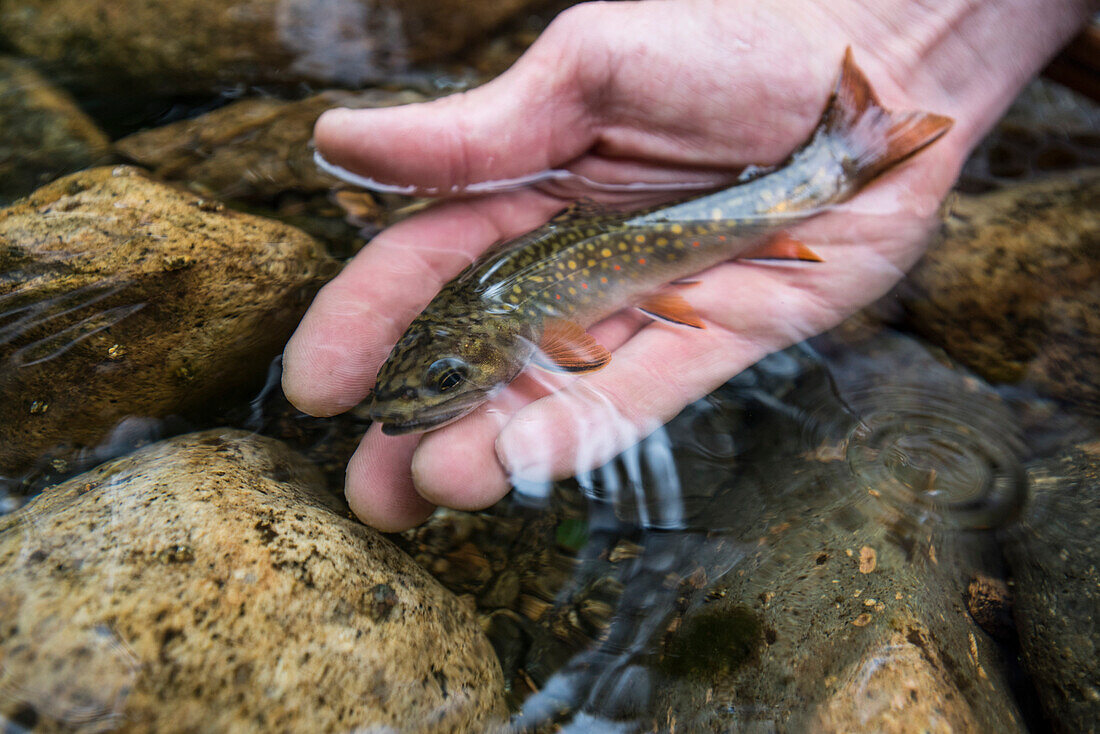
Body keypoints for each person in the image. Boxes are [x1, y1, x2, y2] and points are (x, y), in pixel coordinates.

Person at [283, 0, 1093, 531]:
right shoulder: (500, 319)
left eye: (442, 379)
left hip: (722, 213)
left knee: (789, 196)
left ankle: (852, 149)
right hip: (706, 218)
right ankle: (848, 151)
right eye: (437, 383)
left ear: (489, 342)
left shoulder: (523, 320)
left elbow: (583, 352)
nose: (429, 397)